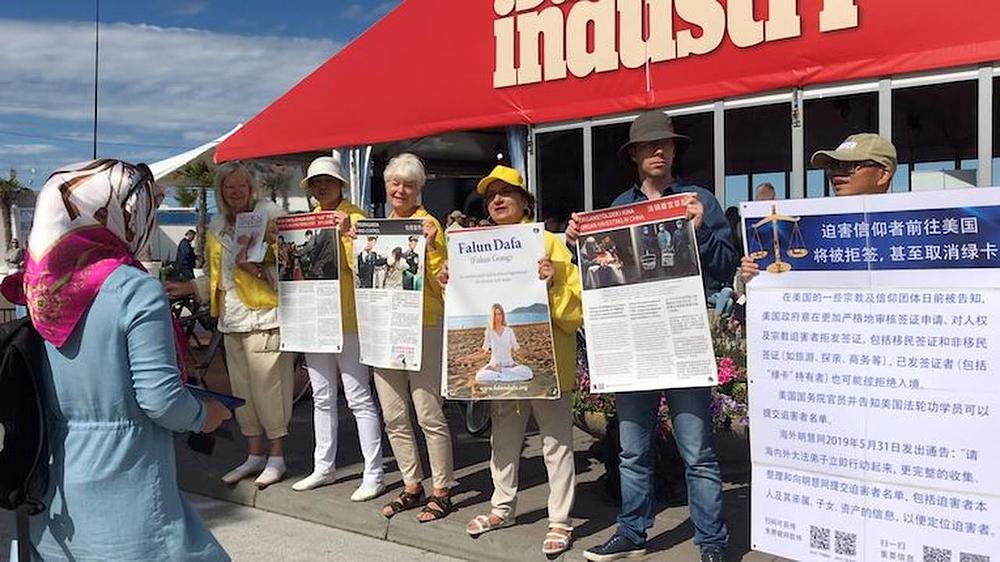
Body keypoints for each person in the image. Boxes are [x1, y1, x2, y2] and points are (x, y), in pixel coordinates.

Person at [21, 159, 230, 561]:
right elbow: (160, 399)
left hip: (57, 489)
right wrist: (207, 415)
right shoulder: (134, 289)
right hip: (129, 485)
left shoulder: (37, 289)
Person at [566, 111, 737, 562]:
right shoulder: (617, 209)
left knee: (697, 452)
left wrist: (699, 233)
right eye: (648, 145)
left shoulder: (699, 199)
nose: (658, 151)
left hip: (681, 336)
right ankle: (632, 532)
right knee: (631, 450)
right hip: (635, 340)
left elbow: (725, 265)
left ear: (675, 150)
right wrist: (575, 245)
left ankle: (713, 543)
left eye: (665, 144)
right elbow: (603, 271)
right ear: (635, 155)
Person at [444, 165, 582, 555]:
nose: (498, 200)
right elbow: (464, 312)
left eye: (506, 193)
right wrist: (450, 284)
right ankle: (501, 507)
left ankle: (559, 520)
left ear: (525, 201)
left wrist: (553, 282)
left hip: (552, 366)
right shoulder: (474, 247)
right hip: (504, 378)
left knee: (556, 444)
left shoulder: (552, 245)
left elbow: (575, 315)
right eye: (491, 195)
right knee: (503, 439)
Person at [166, 162, 294, 489]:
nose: (235, 192)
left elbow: (292, 267)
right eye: (228, 187)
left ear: (253, 188)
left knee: (270, 390)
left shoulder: (272, 218)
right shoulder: (218, 224)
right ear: (220, 191)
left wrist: (260, 268)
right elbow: (219, 275)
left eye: (241, 186)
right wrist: (189, 288)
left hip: (264, 316)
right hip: (231, 318)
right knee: (242, 393)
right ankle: (254, 455)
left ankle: (277, 457)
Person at [290, 157, 385, 501]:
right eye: (316, 182)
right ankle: (323, 467)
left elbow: (365, 269)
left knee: (359, 397)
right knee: (322, 397)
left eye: (327, 180)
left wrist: (347, 235)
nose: (321, 187)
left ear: (341, 183)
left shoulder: (357, 217)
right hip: (315, 320)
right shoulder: (306, 221)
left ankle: (374, 473)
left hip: (350, 322)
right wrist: (279, 243)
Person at [371, 153, 456, 522]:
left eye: (408, 184)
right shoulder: (376, 228)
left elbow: (444, 283)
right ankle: (411, 484)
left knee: (428, 413)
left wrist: (435, 247)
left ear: (419, 188)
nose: (400, 190)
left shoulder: (429, 225)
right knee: (393, 415)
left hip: (422, 327)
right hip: (383, 328)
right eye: (395, 183)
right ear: (387, 186)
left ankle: (442, 490)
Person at [740, 133, 897, 282]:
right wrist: (756, 276)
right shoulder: (815, 230)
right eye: (833, 166)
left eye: (849, 166)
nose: (837, 173)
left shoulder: (904, 229)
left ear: (883, 174)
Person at [468, 303, 533, 383]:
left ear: (502, 315)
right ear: (492, 316)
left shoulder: (509, 331)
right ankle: (503, 374)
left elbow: (517, 349)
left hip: (509, 364)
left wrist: (531, 354)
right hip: (494, 365)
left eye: (499, 314)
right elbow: (483, 351)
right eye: (495, 314)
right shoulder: (489, 331)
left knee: (528, 373)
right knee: (479, 376)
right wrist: (469, 357)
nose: (498, 317)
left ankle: (500, 373)